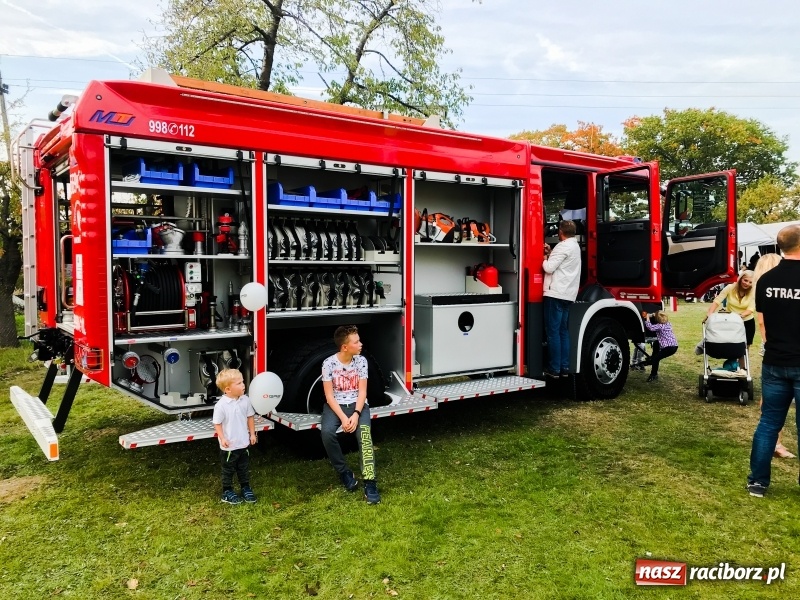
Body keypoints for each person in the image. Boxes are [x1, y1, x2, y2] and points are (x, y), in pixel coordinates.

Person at [747, 224, 800, 497]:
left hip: (774, 361)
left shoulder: (766, 280)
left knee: (768, 422)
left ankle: (757, 481)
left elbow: (763, 326)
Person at [321, 325, 380, 504]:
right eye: (356, 342)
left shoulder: (361, 361)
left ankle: (370, 482)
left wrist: (355, 414)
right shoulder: (328, 363)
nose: (360, 344)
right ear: (345, 347)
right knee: (327, 433)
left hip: (358, 404)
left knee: (364, 436)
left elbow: (362, 392)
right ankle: (344, 472)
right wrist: (343, 418)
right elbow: (329, 396)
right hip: (335, 405)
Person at [752, 251, 795, 459]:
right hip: (781, 348)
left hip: (771, 347)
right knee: (774, 406)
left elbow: (762, 321)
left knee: (769, 403)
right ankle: (776, 442)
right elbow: (762, 323)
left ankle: (775, 441)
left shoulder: (762, 285)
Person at [212, 368, 258, 505]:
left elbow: (250, 418)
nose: (243, 385)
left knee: (243, 467)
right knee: (228, 469)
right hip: (229, 446)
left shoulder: (245, 400)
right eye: (238, 383)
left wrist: (252, 434)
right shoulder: (221, 406)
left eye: (243, 382)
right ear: (228, 389)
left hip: (243, 443)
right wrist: (222, 438)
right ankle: (227, 491)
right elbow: (217, 424)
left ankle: (245, 487)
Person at [542, 220, 581, 378]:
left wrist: (545, 256)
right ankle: (564, 367)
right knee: (563, 332)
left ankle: (554, 369)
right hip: (568, 294)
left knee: (553, 333)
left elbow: (548, 267)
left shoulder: (562, 246)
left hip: (556, 293)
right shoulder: (574, 246)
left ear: (560, 232)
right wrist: (551, 253)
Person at [705, 270, 756, 369]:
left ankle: (743, 370)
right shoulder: (730, 288)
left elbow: (750, 309)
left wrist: (738, 316)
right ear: (740, 279)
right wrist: (709, 314)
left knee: (744, 348)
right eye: (745, 280)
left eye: (750, 282)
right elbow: (717, 301)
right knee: (731, 344)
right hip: (731, 323)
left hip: (747, 322)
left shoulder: (753, 291)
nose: (747, 284)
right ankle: (731, 366)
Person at [639, 311, 679, 383]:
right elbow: (659, 315)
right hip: (674, 346)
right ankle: (651, 363)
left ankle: (653, 374)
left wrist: (647, 317)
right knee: (656, 344)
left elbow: (650, 327)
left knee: (656, 359)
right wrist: (653, 314)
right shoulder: (668, 324)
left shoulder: (660, 326)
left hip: (668, 348)